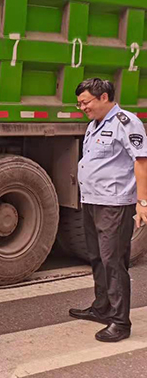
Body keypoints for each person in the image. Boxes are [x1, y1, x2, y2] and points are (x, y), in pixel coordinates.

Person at [70, 78, 147, 342]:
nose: (83, 107)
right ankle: (102, 307)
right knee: (97, 257)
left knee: (113, 261)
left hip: (114, 204)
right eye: (80, 103)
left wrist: (142, 202)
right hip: (92, 200)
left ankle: (120, 322)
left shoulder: (126, 123)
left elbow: (141, 162)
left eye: (85, 102)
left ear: (103, 97)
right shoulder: (94, 125)